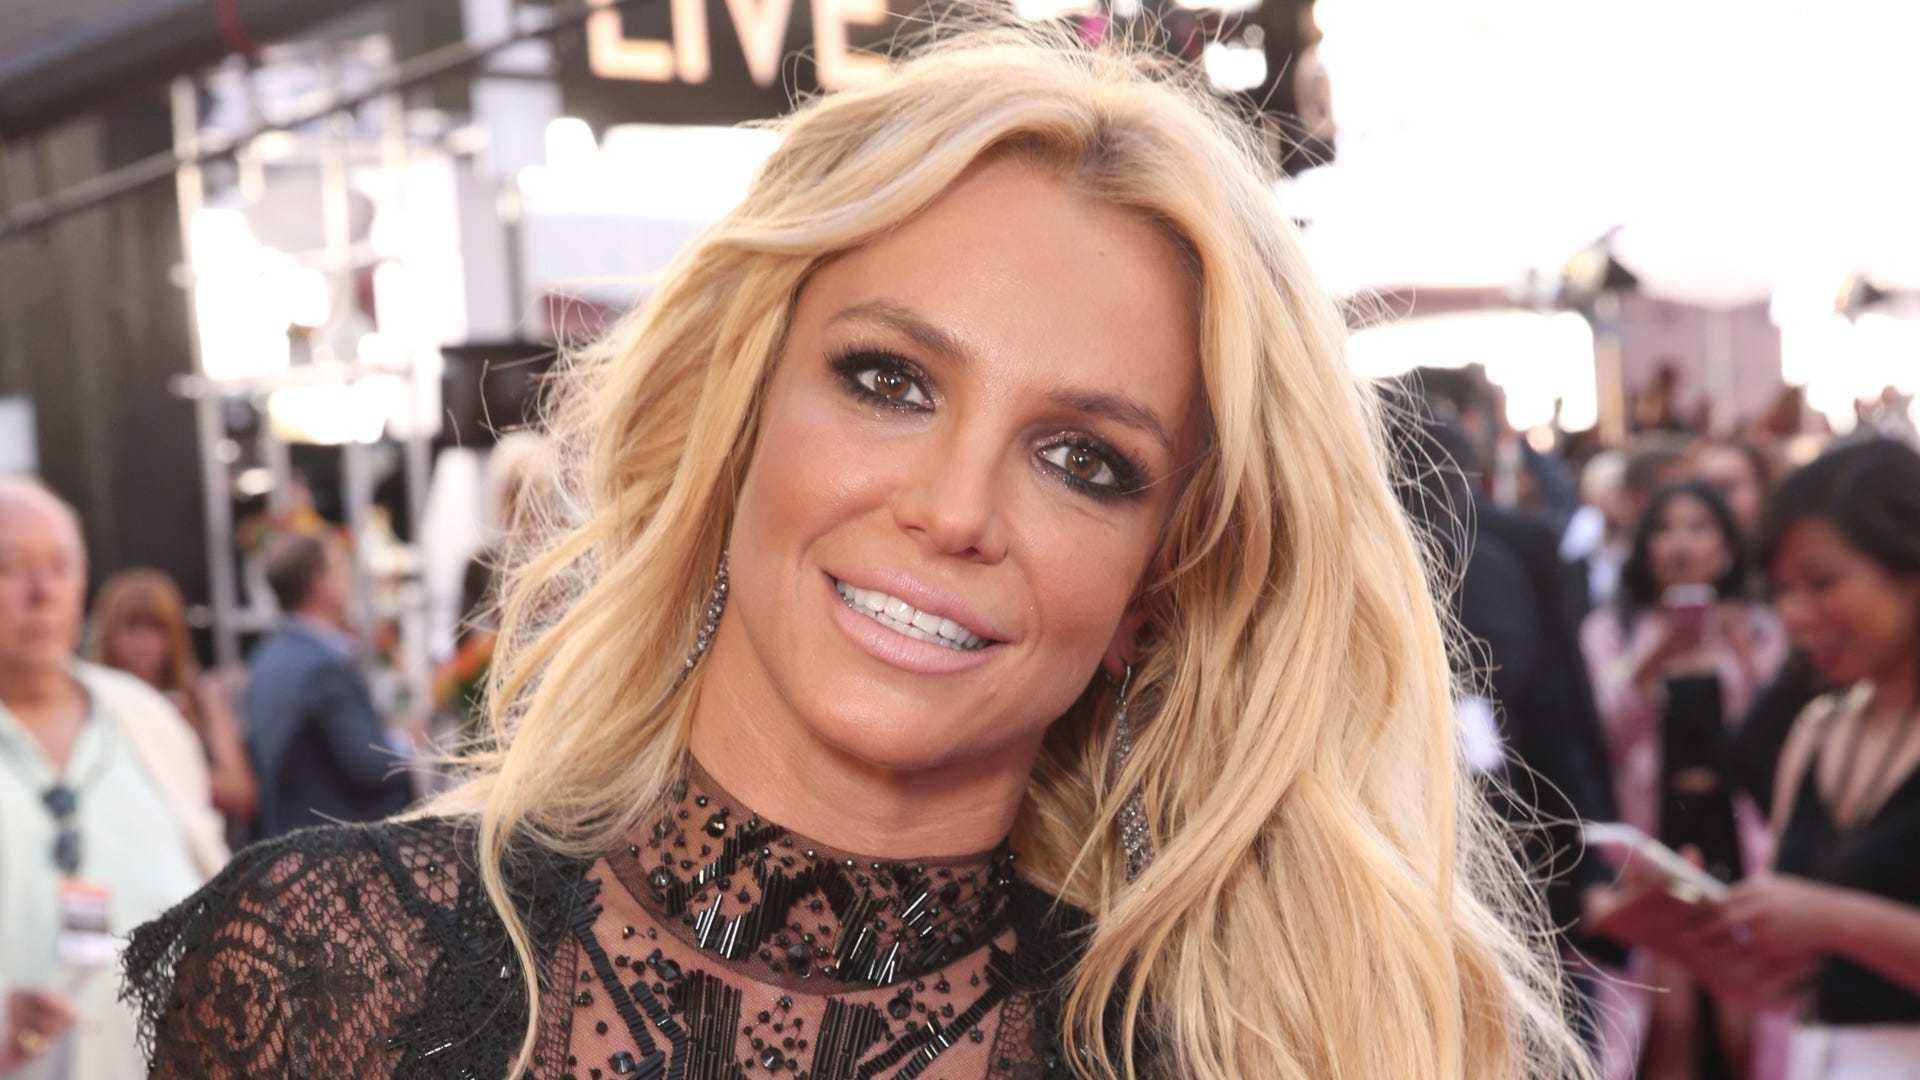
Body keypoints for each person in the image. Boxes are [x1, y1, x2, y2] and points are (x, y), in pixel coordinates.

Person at [124, 28, 1592, 1080]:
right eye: (889, 380)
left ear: (1158, 590)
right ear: (738, 415)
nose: (956, 509)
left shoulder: (1233, 1058)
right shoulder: (331, 972)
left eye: (1084, 460)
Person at [1678, 437, 1920, 1076]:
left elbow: (1823, 919)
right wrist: (1716, 933)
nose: (1795, 613)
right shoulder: (1819, 728)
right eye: (1782, 590)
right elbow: (1798, 979)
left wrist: (1830, 919)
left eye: (1822, 582)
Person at [0, 479, 225, 1078]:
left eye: (59, 567)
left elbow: (215, 899)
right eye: (9, 568)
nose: (41, 593)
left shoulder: (146, 720)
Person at [1580, 481, 1787, 1079]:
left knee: (1744, 1020)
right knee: (1667, 1017)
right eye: (1666, 529)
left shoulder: (1758, 627)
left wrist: (1741, 654)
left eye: (1699, 528)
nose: (1682, 544)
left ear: (1726, 548)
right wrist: (1654, 658)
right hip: (1652, 831)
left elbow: (1776, 736)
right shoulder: (1613, 630)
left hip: (1738, 833)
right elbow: (1599, 738)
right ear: (1644, 547)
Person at [242, 532, 414, 839]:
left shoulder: (265, 658)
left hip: (287, 839)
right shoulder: (322, 667)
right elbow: (371, 765)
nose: (349, 578)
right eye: (340, 567)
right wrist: (408, 743)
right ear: (320, 583)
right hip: (336, 844)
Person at [86, 569, 258, 829]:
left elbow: (240, 791)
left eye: (157, 629)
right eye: (132, 628)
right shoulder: (88, 698)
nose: (144, 643)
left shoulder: (199, 698)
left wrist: (174, 748)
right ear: (108, 634)